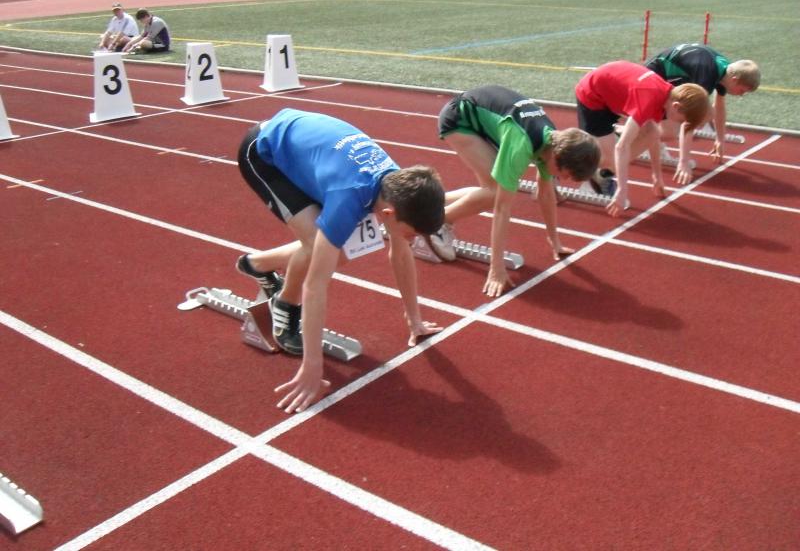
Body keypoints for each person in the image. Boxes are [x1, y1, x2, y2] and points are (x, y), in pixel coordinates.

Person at [236, 108, 446, 413]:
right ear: (388, 214)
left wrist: (414, 320)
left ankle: (257, 264)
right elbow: (316, 286)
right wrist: (312, 366)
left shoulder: (400, 187)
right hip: (264, 152)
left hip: (312, 151)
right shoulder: (348, 199)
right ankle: (284, 305)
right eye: (411, 233)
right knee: (317, 248)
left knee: (340, 251)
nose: (412, 241)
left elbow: (400, 254)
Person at [432, 85, 601, 297]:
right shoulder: (521, 144)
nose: (563, 179)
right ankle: (437, 223)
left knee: (490, 190)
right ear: (557, 157)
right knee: (495, 194)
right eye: (564, 174)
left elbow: (546, 194)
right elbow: (502, 210)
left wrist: (554, 241)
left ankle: (431, 203)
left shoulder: (553, 142)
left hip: (483, 114)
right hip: (459, 120)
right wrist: (496, 268)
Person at [575, 60, 710, 217]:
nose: (679, 124)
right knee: (610, 160)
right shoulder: (648, 100)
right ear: (676, 107)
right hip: (592, 96)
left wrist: (657, 176)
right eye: (681, 120)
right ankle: (579, 170)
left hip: (611, 94)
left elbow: (653, 138)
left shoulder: (666, 95)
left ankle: (611, 143)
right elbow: (622, 147)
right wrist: (622, 190)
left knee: (652, 131)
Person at [645, 43, 760, 166]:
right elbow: (690, 120)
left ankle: (645, 134)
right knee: (670, 132)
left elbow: (719, 107)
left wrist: (720, 139)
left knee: (707, 113)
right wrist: (684, 161)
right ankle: (636, 136)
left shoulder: (725, 70)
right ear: (734, 80)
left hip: (668, 77)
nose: (741, 95)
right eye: (742, 90)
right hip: (652, 78)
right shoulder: (705, 77)